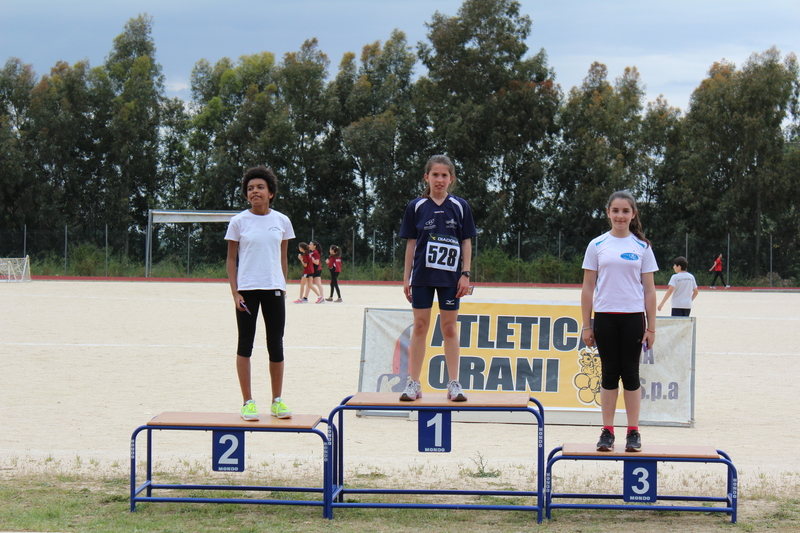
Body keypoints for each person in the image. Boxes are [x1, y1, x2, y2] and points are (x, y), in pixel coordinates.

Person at [581, 190, 658, 452]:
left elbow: (649, 290)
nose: (620, 216)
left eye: (626, 211)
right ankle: (607, 431)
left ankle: (634, 432)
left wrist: (651, 327)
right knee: (609, 374)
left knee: (632, 375)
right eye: (615, 211)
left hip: (633, 318)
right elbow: (588, 287)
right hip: (605, 318)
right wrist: (586, 324)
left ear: (633, 214)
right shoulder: (597, 245)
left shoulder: (642, 247)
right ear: (608, 213)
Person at [399, 155, 477, 402]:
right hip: (422, 276)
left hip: (451, 279)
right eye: (435, 175)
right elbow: (411, 244)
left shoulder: (460, 206)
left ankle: (454, 383)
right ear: (427, 177)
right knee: (420, 326)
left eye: (444, 175)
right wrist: (406, 278)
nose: (440, 180)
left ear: (451, 179)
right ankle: (414, 383)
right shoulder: (416, 206)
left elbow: (466, 241)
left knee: (449, 328)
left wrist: (465, 274)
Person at [225, 166, 293, 420]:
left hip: (274, 289)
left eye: (260, 187)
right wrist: (235, 293)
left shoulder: (282, 221)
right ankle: (248, 402)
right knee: (245, 344)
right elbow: (231, 260)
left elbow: (283, 257)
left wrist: (283, 285)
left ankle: (277, 401)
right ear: (246, 195)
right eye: (251, 188)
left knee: (275, 345)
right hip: (247, 292)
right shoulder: (238, 222)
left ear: (271, 192)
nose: (255, 191)